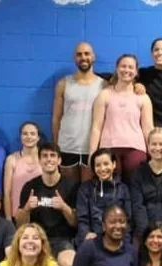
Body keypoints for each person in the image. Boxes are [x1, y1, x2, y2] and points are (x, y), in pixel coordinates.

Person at [15, 143, 78, 266]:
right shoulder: (29, 187)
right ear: (39, 160)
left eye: (52, 155)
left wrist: (64, 207)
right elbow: (20, 225)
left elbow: (75, 222)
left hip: (62, 239)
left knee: (69, 265)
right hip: (36, 239)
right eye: (45, 156)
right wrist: (26, 209)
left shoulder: (71, 186)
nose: (49, 159)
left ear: (59, 160)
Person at [89, 54, 154, 182]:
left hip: (136, 148)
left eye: (130, 67)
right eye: (123, 66)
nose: (126, 70)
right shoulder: (104, 95)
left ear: (136, 72)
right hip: (109, 148)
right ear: (117, 69)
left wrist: (152, 154)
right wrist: (92, 154)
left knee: (135, 186)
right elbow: (96, 127)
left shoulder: (143, 97)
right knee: (111, 187)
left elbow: (148, 128)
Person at [53, 41, 108, 183]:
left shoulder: (104, 85)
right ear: (74, 58)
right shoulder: (63, 84)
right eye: (79, 54)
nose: (83, 57)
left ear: (93, 57)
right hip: (67, 146)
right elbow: (56, 118)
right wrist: (56, 145)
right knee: (68, 190)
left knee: (88, 190)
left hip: (92, 147)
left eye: (87, 53)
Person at [75, 148, 132, 248]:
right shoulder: (85, 188)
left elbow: (128, 220)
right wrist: (86, 234)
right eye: (98, 165)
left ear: (114, 164)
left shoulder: (123, 189)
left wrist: (124, 242)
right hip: (92, 239)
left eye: (106, 164)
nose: (102, 169)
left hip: (117, 239)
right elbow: (82, 219)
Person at [3, 122, 43, 221]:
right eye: (25, 133)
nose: (29, 137)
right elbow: (7, 193)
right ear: (20, 136)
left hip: (42, 214)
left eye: (32, 134)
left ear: (38, 137)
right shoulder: (11, 159)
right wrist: (8, 219)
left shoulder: (45, 158)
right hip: (17, 215)